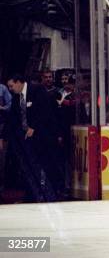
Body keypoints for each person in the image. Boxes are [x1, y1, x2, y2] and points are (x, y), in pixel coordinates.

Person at [2, 74, 57, 202]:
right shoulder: (17, 97)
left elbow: (45, 112)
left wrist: (34, 127)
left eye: (11, 86)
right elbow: (13, 117)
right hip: (27, 139)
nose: (10, 89)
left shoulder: (37, 90)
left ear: (19, 82)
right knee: (28, 167)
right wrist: (3, 136)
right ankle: (31, 195)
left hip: (42, 137)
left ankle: (49, 194)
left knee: (44, 166)